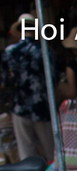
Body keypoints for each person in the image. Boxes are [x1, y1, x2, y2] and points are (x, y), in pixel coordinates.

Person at [0, 13, 54, 162]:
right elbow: (53, 80)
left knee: (27, 153)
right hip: (42, 107)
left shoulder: (10, 52)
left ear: (19, 31)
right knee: (51, 152)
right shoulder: (45, 51)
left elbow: (4, 81)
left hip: (20, 107)